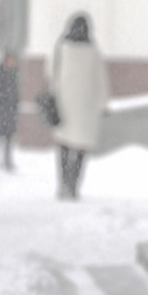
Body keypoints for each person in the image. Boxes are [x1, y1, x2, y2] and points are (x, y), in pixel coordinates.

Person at [50, 13, 110, 200]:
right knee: (81, 147)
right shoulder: (94, 51)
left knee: (64, 145)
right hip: (86, 106)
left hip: (63, 103)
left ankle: (63, 184)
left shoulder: (61, 46)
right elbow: (101, 80)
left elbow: (50, 70)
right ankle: (74, 184)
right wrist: (103, 103)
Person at [0, 50, 20, 171]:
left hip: (9, 111)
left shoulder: (13, 73)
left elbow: (15, 92)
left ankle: (7, 160)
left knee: (9, 137)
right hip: (1, 110)